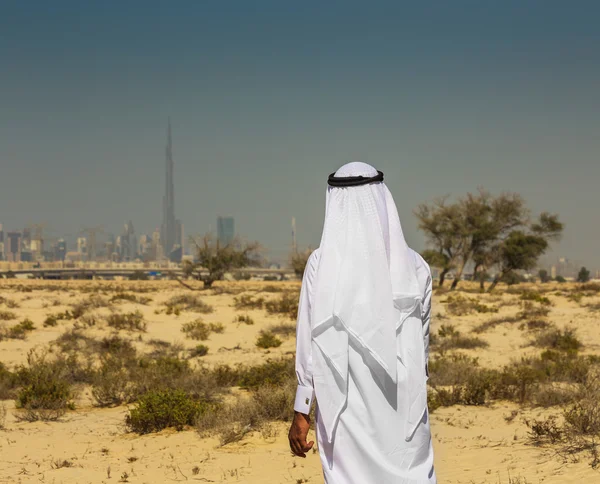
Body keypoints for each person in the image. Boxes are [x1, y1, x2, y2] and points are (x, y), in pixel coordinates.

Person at [288, 162, 436, 483]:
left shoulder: (320, 264)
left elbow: (307, 345)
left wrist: (302, 409)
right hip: (402, 407)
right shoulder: (417, 266)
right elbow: (422, 347)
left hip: (343, 407)